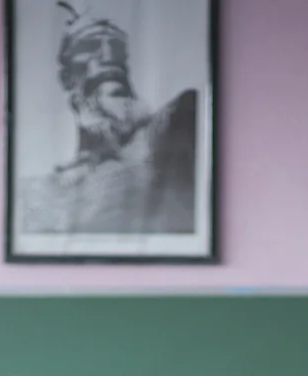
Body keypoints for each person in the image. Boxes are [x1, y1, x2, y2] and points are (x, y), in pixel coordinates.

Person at [20, 4, 197, 236]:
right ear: (66, 78)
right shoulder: (34, 195)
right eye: (91, 46)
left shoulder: (159, 140)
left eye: (116, 48)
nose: (108, 57)